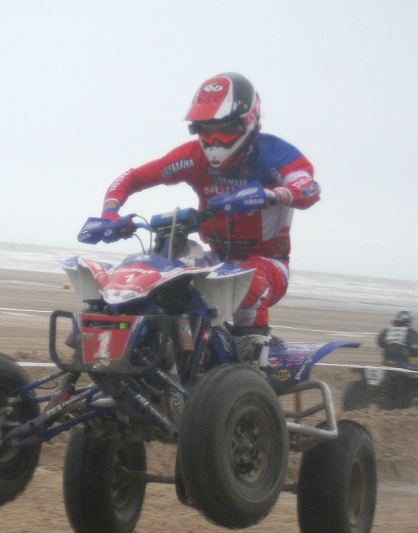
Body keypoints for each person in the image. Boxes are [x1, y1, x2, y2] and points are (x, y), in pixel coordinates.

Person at [97, 72, 321, 355]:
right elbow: (132, 178)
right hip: (216, 257)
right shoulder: (192, 157)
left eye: (224, 131)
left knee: (250, 282)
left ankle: (251, 362)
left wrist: (271, 195)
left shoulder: (276, 154)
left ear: (248, 123)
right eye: (204, 130)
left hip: (269, 262)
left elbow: (309, 187)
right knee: (159, 276)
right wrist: (109, 214)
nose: (214, 141)